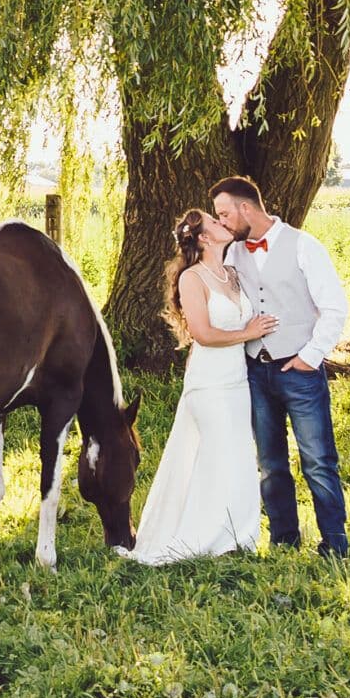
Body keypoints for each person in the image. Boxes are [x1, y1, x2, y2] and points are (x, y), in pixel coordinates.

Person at [127, 208, 279, 564]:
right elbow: (204, 334)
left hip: (237, 381)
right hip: (209, 381)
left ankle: (237, 535)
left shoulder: (232, 273)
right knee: (216, 455)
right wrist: (248, 333)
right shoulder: (192, 279)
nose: (221, 222)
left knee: (239, 455)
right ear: (204, 238)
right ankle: (204, 537)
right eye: (213, 221)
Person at [213, 174, 350, 558]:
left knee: (318, 460)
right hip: (255, 372)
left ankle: (335, 543)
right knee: (270, 463)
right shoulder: (233, 253)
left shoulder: (304, 246)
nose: (222, 222)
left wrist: (310, 356)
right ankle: (283, 540)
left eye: (224, 214)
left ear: (245, 208)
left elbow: (334, 308)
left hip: (300, 372)